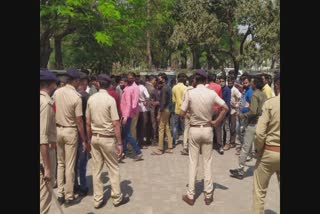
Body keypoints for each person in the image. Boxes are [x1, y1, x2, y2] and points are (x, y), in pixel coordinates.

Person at [180, 70, 228, 206]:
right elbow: (225, 107)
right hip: (207, 129)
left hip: (194, 129)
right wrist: (216, 121)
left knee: (193, 162)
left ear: (195, 80)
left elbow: (181, 113)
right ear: (206, 80)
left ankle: (190, 195)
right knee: (207, 162)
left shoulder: (190, 93)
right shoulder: (211, 93)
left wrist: (191, 113)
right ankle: (208, 195)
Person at [86, 74, 130, 209]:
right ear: (109, 84)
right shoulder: (110, 100)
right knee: (113, 168)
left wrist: (88, 140)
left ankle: (98, 199)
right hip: (107, 138)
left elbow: (87, 122)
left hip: (95, 137)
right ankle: (117, 197)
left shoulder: (91, 99)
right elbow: (116, 123)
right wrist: (120, 143)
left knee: (96, 169)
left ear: (98, 84)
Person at [53, 68, 89, 207]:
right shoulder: (76, 97)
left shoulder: (57, 92)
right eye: (78, 80)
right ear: (74, 81)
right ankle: (69, 195)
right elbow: (79, 120)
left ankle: (60, 193)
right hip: (70, 131)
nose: (79, 83)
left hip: (58, 129)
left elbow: (53, 110)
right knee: (69, 164)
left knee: (60, 163)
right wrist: (84, 139)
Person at [229, 75, 267, 179]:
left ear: (255, 84)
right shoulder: (263, 94)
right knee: (260, 149)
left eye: (252, 82)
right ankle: (262, 170)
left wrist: (242, 115)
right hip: (262, 124)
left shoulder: (254, 95)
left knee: (245, 147)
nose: (251, 84)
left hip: (253, 123)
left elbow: (253, 111)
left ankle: (240, 170)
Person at [253, 73, 280, 214]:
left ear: (276, 85)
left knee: (259, 191)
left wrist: (258, 149)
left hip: (270, 151)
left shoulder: (271, 103)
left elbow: (259, 133)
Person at [40, 69, 58, 214]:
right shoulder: (45, 103)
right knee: (44, 197)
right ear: (50, 84)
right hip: (44, 154)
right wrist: (47, 167)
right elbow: (43, 137)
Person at [74, 72, 90, 196]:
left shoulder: (69, 94)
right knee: (83, 160)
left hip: (71, 131)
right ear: (84, 83)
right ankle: (83, 185)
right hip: (83, 130)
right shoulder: (85, 96)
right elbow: (88, 117)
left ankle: (74, 184)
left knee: (72, 161)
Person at [120, 73, 143, 160]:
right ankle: (123, 152)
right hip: (127, 113)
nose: (121, 84)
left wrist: (127, 115)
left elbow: (132, 103)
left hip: (130, 113)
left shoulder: (132, 88)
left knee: (128, 134)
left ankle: (137, 151)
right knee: (125, 134)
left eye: (131, 78)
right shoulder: (127, 89)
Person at [151, 73, 174, 155]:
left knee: (161, 129)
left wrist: (159, 114)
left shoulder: (164, 89)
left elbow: (162, 103)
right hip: (168, 109)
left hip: (164, 110)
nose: (158, 79)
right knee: (167, 127)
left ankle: (160, 149)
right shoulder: (168, 87)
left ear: (163, 79)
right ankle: (170, 147)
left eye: (159, 78)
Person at [180, 75, 194, 155]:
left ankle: (185, 147)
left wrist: (184, 113)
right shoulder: (196, 90)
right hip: (195, 113)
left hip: (187, 113)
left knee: (186, 129)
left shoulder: (186, 90)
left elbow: (183, 102)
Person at [172, 73, 187, 146]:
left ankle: (175, 141)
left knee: (175, 125)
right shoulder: (185, 88)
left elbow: (174, 100)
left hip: (176, 109)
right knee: (184, 126)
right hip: (184, 110)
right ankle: (185, 141)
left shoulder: (174, 87)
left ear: (177, 79)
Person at [219, 75, 231, 153]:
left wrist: (225, 112)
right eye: (220, 81)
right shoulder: (220, 89)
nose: (221, 83)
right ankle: (221, 143)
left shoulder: (227, 89)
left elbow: (227, 102)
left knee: (226, 128)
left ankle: (227, 143)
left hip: (225, 111)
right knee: (221, 128)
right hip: (220, 111)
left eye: (222, 81)